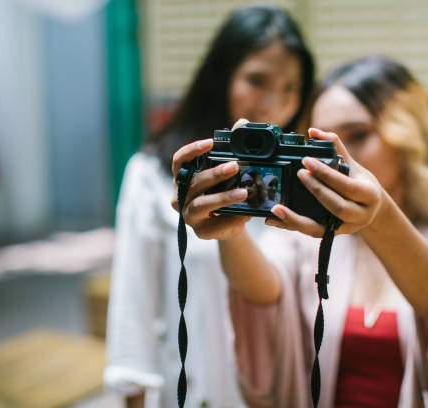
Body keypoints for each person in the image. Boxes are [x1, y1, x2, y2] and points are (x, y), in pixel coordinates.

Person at [172, 55, 428, 407]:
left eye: (359, 135)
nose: (340, 162)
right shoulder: (301, 240)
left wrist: (377, 213)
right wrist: (231, 227)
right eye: (323, 148)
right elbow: (261, 290)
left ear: (410, 134)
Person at [104, 6, 314, 408]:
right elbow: (134, 304)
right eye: (257, 80)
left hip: (278, 392)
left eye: (292, 87)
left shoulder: (297, 180)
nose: (274, 102)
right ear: (221, 76)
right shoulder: (155, 173)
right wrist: (132, 394)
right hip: (193, 391)